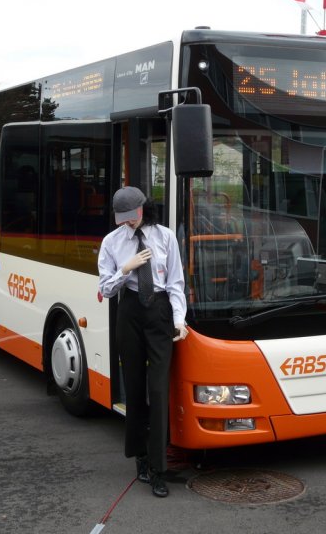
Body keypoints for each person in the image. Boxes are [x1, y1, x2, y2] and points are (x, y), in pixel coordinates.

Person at [97, 186, 188, 498]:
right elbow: (106, 289)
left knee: (159, 390)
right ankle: (141, 457)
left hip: (160, 310)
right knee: (133, 387)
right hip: (130, 310)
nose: (128, 224)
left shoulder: (164, 236)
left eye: (132, 217)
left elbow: (176, 282)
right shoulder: (112, 242)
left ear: (143, 209)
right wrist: (126, 268)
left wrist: (179, 319)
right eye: (122, 219)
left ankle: (159, 469)